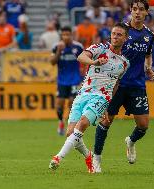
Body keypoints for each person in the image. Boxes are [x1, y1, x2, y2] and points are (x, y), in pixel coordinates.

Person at [49, 23, 130, 173]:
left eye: (119, 34)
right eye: (113, 33)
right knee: (70, 133)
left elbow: (116, 84)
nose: (115, 37)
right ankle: (89, 156)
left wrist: (108, 104)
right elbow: (81, 56)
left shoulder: (124, 63)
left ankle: (58, 157)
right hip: (83, 93)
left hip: (101, 96)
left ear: (125, 38)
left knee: (83, 123)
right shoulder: (99, 48)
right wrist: (94, 62)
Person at [92, 0, 154, 173]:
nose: (137, 13)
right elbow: (109, 51)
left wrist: (148, 67)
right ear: (131, 11)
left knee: (143, 126)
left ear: (146, 13)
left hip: (137, 85)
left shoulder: (149, 35)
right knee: (106, 121)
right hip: (117, 85)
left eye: (141, 10)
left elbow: (148, 54)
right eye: (134, 9)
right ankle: (96, 159)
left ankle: (131, 141)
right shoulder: (122, 32)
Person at [50, 26, 84, 136]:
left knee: (71, 103)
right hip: (62, 80)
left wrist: (83, 74)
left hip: (74, 80)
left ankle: (71, 126)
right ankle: (61, 122)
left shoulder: (78, 47)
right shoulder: (56, 47)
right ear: (61, 36)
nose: (66, 37)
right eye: (64, 35)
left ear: (71, 35)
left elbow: (84, 60)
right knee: (59, 104)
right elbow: (52, 62)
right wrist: (59, 51)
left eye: (68, 34)